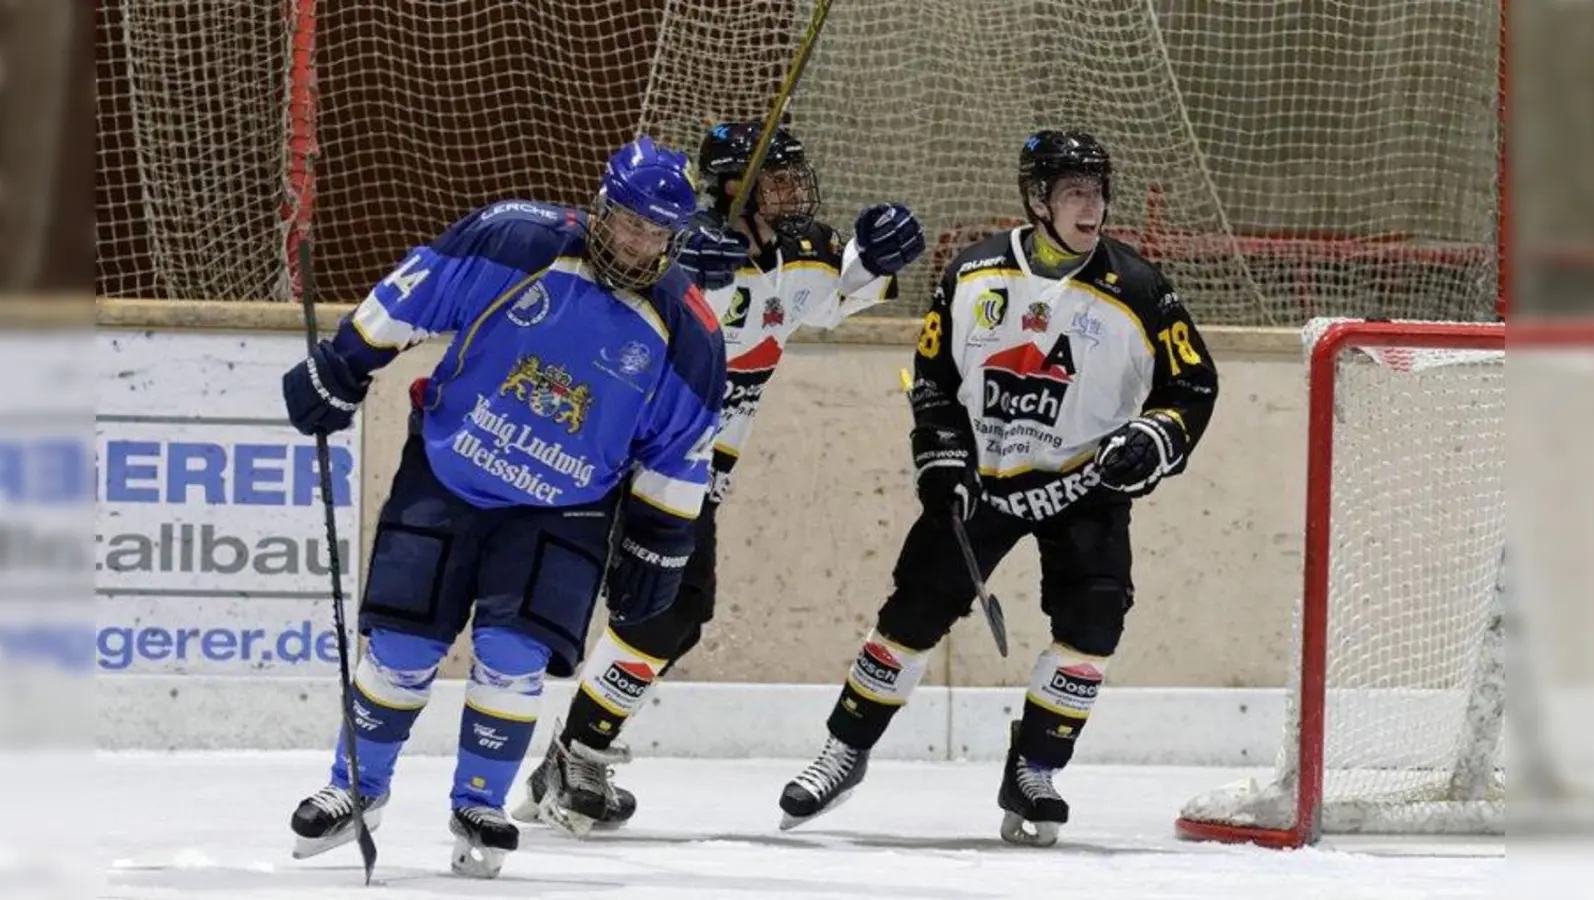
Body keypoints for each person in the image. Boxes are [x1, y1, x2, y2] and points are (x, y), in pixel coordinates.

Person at [279, 136, 730, 878]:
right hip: (449, 472)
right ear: (602, 206)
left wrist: (661, 537)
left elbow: (681, 447)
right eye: (629, 222)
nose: (639, 243)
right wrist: (347, 363)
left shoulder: (687, 330)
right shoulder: (516, 239)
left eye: (658, 233)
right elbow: (419, 288)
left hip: (568, 508)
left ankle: (479, 801)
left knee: (513, 657)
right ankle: (356, 787)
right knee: (401, 646)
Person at [776, 129, 1220, 847]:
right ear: (1037, 199)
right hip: (984, 483)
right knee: (911, 615)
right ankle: (845, 749)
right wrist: (942, 456)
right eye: (1075, 190)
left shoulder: (1139, 288)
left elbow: (1194, 384)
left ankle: (1035, 769)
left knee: (1094, 621)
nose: (1092, 205)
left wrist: (1155, 436)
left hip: (1085, 484)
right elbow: (934, 379)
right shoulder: (974, 273)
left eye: (1099, 190)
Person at [512, 120, 927, 836]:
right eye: (777, 176)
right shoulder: (672, 249)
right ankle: (569, 755)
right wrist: (675, 280)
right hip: (622, 460)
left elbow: (838, 288)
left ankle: (569, 756)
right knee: (659, 614)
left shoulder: (804, 255)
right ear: (734, 186)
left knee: (674, 616)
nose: (794, 189)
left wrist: (879, 254)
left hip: (693, 479)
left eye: (797, 174)